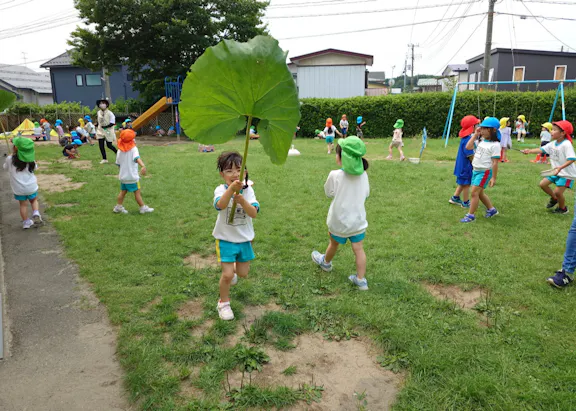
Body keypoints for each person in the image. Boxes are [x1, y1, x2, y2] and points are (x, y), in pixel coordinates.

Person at [312, 137, 370, 290]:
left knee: (334, 243)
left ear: (341, 157)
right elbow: (366, 193)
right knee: (359, 249)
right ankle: (361, 280)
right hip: (357, 221)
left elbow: (329, 192)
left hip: (338, 221)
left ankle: (326, 263)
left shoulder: (335, 175)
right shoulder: (363, 175)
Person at [213, 151, 259, 320]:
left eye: (238, 169)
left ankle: (232, 272)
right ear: (222, 174)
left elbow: (253, 213)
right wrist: (231, 190)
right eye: (229, 171)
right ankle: (223, 303)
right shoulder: (220, 190)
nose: (234, 174)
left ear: (244, 172)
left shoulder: (249, 191)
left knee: (243, 274)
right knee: (226, 275)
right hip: (225, 238)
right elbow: (220, 205)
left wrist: (242, 201)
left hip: (244, 239)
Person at [521, 120, 575, 215]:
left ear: (562, 133)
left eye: (554, 130)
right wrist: (529, 151)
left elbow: (571, 159)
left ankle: (562, 209)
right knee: (543, 184)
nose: (551, 132)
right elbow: (541, 149)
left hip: (566, 174)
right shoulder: (552, 143)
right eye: (551, 130)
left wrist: (560, 168)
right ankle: (554, 198)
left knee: (558, 192)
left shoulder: (566, 144)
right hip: (555, 172)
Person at [460, 117, 501, 223]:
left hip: (484, 172)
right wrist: (475, 135)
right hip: (476, 170)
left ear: (493, 130)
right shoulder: (482, 141)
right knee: (480, 193)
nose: (481, 130)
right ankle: (492, 210)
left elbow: (495, 163)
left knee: (474, 193)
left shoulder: (495, 145)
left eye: (484, 128)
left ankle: (470, 215)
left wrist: (493, 177)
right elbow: (468, 147)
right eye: (481, 128)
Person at [3, 137, 42, 229]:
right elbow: (35, 167)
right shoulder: (31, 160)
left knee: (23, 205)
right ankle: (36, 212)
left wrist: (9, 157)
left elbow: (5, 168)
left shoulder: (10, 159)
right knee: (34, 200)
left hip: (18, 189)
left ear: (15, 148)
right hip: (31, 187)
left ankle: (26, 222)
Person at [113, 129, 154, 215]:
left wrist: (121, 172)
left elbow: (118, 164)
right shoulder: (133, 149)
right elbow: (136, 158)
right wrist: (142, 165)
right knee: (137, 193)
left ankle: (118, 207)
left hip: (123, 177)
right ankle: (142, 208)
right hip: (132, 177)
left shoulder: (119, 151)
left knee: (123, 192)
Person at [450, 115, 479, 208]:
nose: (478, 127)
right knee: (466, 184)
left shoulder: (466, 138)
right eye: (476, 125)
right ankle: (465, 202)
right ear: (472, 127)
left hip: (461, 166)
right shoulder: (467, 140)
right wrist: (476, 165)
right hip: (466, 166)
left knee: (462, 182)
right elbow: (470, 155)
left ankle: (455, 197)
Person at [96, 99, 118, 164]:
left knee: (109, 145)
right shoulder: (99, 112)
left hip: (108, 130)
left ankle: (117, 153)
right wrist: (97, 124)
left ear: (106, 104)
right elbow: (99, 120)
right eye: (100, 103)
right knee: (101, 145)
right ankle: (104, 158)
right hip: (100, 130)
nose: (102, 104)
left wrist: (106, 127)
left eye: (103, 103)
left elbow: (112, 122)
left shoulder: (110, 113)